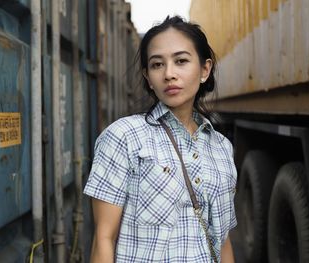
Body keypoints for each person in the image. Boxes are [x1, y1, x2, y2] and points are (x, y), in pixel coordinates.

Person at [84, 16, 237, 263]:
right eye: (157, 65)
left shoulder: (221, 147)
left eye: (181, 61)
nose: (169, 74)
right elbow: (103, 239)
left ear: (204, 70)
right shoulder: (123, 137)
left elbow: (223, 240)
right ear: (147, 76)